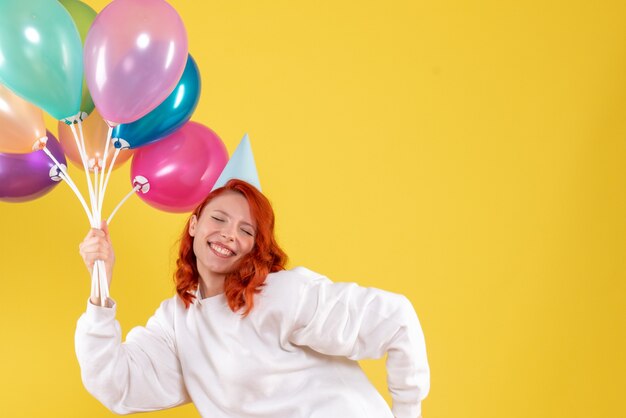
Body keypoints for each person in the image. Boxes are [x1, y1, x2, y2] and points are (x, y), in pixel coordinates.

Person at [76, 178, 430, 418]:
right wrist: (100, 285)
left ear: (254, 247)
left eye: (246, 230)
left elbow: (396, 319)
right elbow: (116, 383)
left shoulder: (282, 295)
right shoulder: (178, 319)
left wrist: (407, 411)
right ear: (194, 225)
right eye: (219, 218)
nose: (229, 234)